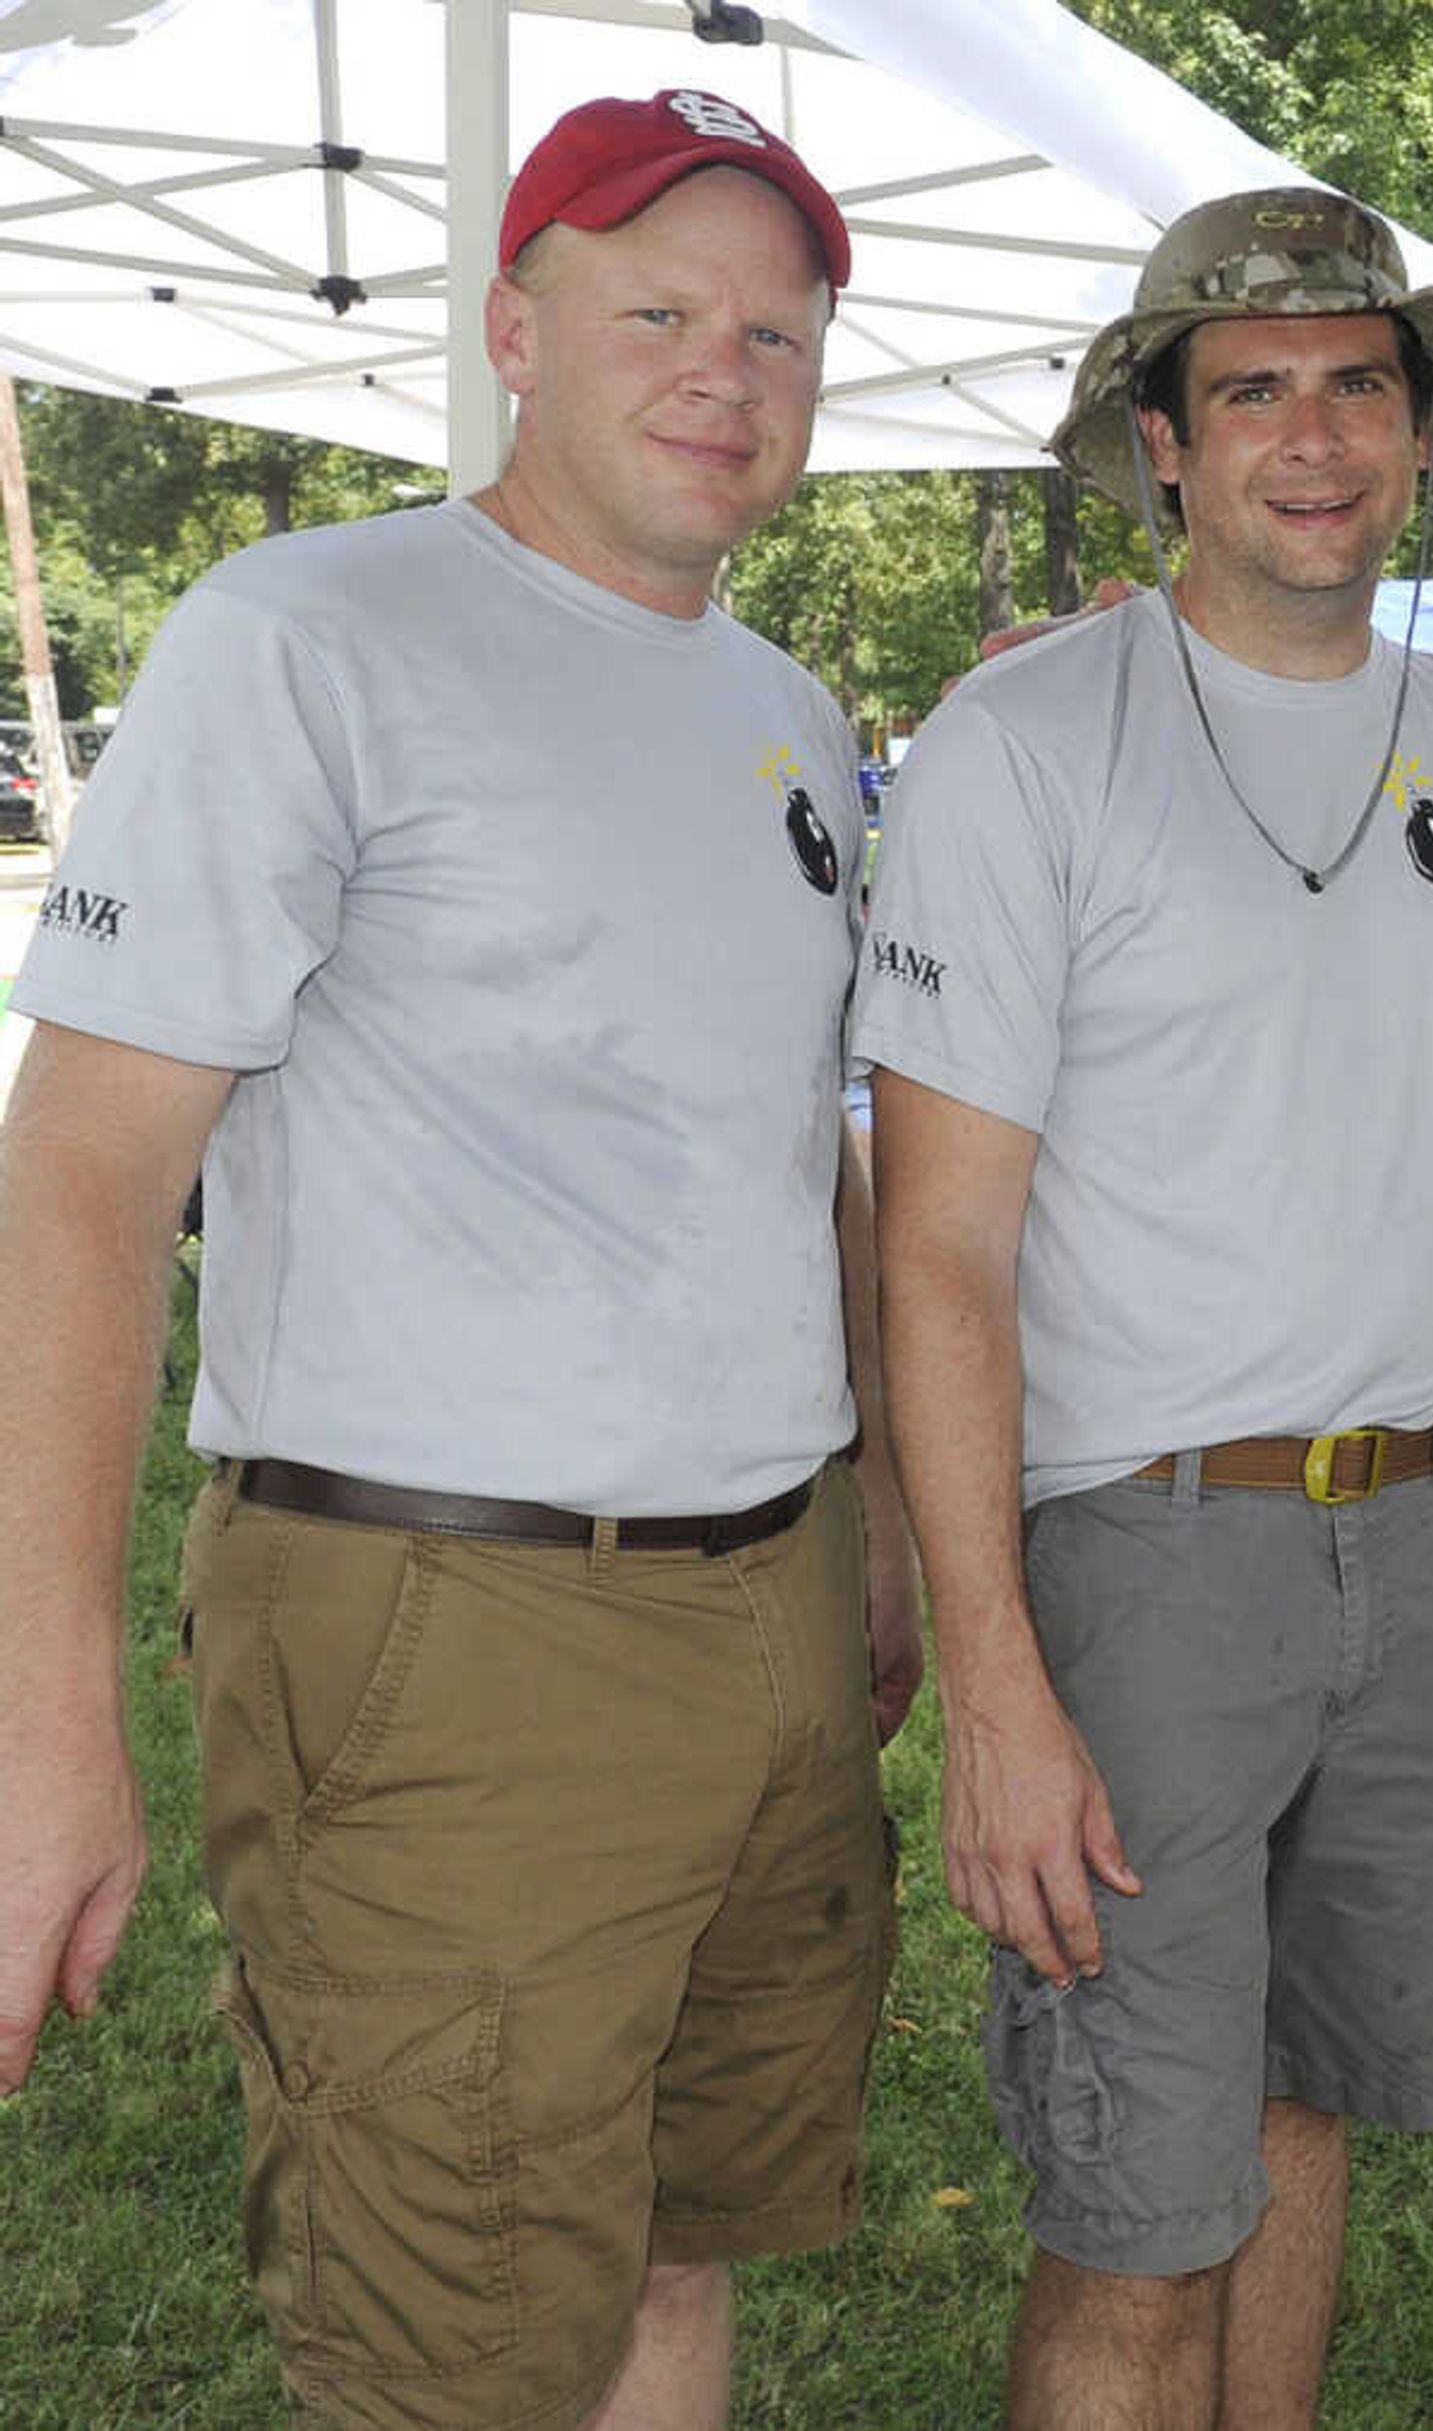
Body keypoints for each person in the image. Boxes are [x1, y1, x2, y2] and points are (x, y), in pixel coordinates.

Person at [0, 88, 919, 2429]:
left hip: (775, 1598)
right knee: (447, 2360)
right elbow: (83, 1178)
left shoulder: (789, 710)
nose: (726, 371)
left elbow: (798, 1156)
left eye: (779, 334)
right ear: (513, 326)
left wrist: (884, 1526)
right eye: (658, 313)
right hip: (450, 1632)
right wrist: (41, 1719)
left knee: (676, 2250)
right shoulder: (311, 633)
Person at [857, 188, 1433, 2431]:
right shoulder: (1027, 745)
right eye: (1251, 389)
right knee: (1128, 2205)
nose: (1311, 435)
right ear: (1165, 444)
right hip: (1138, 1556)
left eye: (1355, 386)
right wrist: (993, 1675)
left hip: (1423, 1537)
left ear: (1417, 438)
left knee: (1301, 2121)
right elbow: (941, 1243)